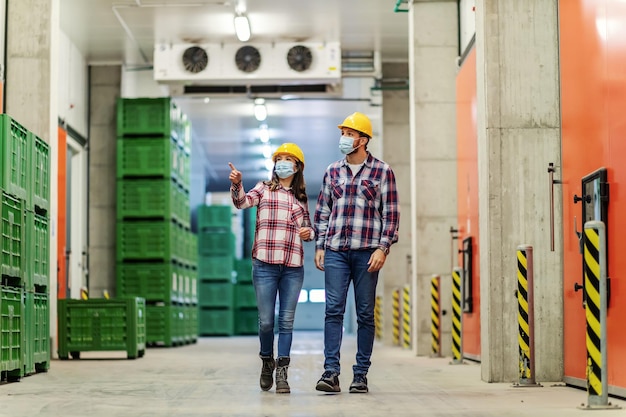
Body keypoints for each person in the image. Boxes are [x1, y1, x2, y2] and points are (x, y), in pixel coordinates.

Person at [313, 112, 399, 394]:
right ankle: (331, 372)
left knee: (364, 313)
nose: (344, 138)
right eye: (343, 133)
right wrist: (320, 246)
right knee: (333, 311)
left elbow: (391, 215)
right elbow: (323, 211)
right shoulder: (332, 171)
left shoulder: (382, 172)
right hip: (337, 250)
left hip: (367, 253)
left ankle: (360, 374)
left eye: (349, 134)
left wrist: (382, 248)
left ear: (363, 140)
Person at [229, 142, 314, 394]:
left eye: (288, 159)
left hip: (292, 268)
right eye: (280, 158)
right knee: (266, 322)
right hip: (264, 265)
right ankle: (267, 360)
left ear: (297, 167)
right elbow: (241, 203)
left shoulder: (301, 197)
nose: (283, 163)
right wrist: (237, 183)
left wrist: (308, 233)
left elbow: (309, 230)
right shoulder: (263, 189)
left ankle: (282, 372)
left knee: (286, 322)